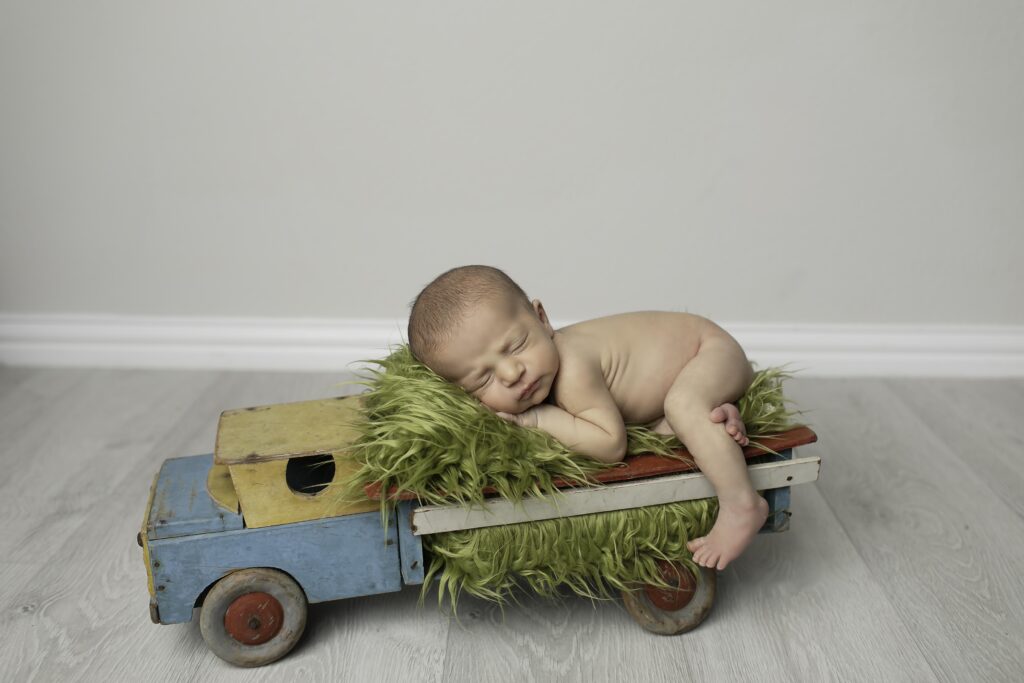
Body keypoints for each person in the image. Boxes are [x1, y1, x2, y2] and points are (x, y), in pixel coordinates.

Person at [407, 265, 765, 571]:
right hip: (689, 372)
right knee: (673, 422)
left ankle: (742, 504)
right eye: (483, 379)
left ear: (542, 319)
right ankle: (715, 414)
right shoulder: (539, 369)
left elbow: (611, 444)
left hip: (708, 351)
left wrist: (537, 420)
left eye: (516, 346)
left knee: (683, 405)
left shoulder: (573, 367)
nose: (512, 372)